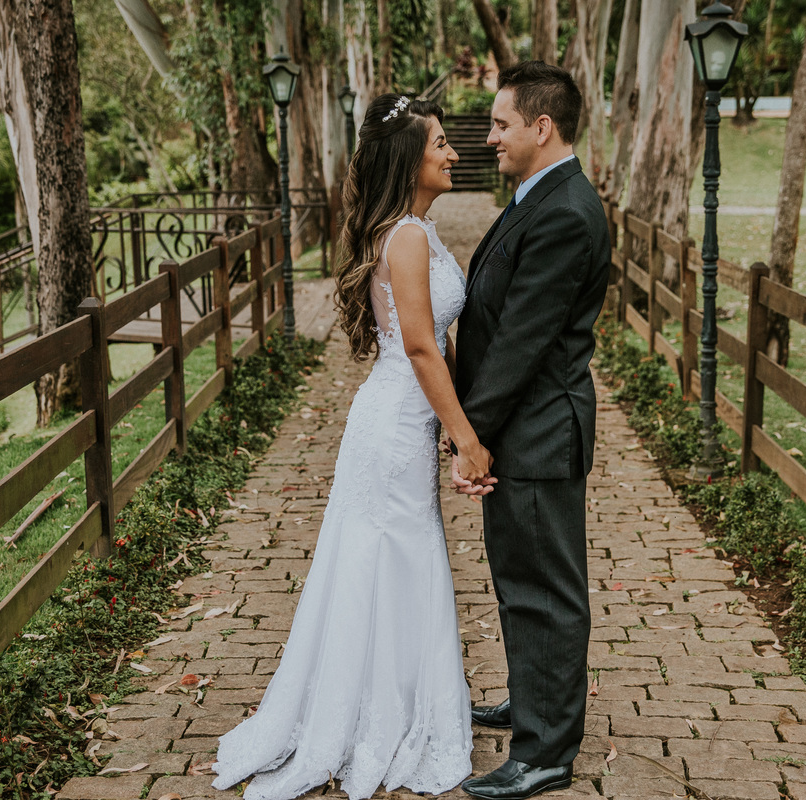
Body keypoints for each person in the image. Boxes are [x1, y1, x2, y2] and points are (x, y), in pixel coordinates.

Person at [212, 93, 489, 800]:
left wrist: (453, 424)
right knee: (393, 559)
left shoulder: (413, 231)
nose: (453, 153)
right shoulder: (406, 238)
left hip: (398, 419)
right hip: (394, 427)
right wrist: (466, 440)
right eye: (440, 144)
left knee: (389, 562)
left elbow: (435, 344)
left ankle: (384, 703)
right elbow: (421, 348)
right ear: (409, 159)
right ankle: (379, 717)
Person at [451, 61, 611, 800]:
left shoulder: (566, 212)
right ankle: (533, 700)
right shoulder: (539, 197)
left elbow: (521, 340)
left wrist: (470, 433)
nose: (491, 138)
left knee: (545, 590)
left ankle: (546, 752)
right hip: (524, 430)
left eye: (501, 124)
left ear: (542, 127)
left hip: (539, 432)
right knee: (521, 582)